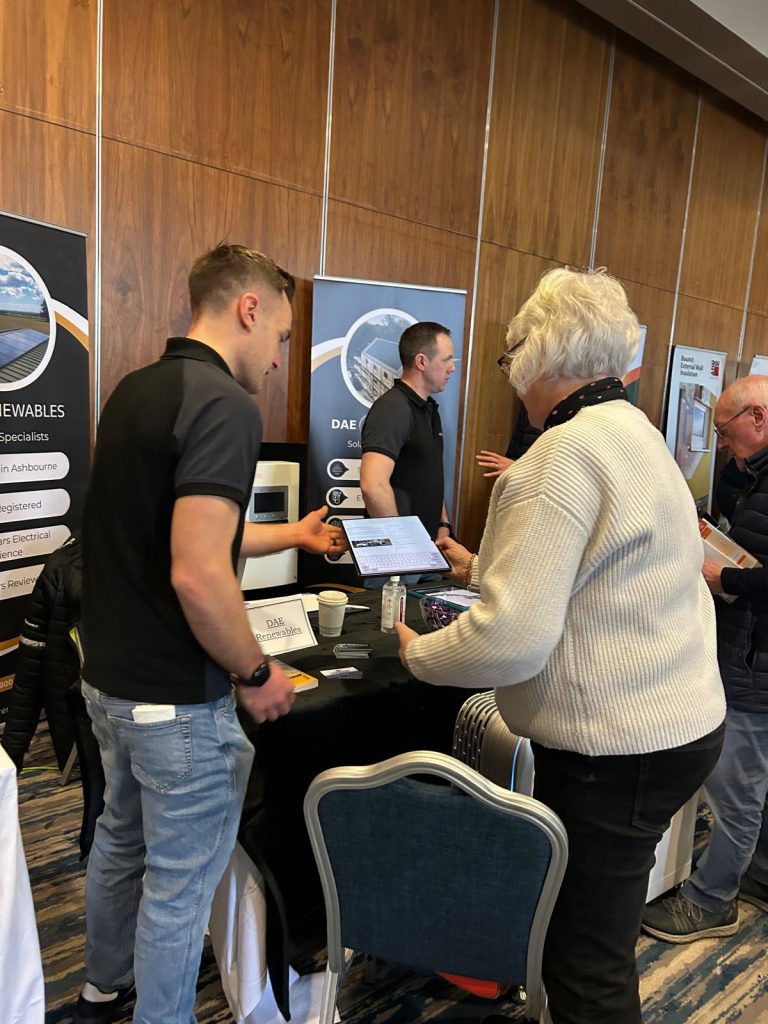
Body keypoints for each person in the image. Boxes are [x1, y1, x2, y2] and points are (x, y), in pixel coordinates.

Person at [394, 267, 726, 1024]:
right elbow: (604, 580)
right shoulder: (635, 436)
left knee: (585, 964)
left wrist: (418, 655)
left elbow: (509, 643)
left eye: (512, 355)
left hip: (617, 755)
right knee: (593, 946)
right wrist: (483, 568)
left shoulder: (558, 458)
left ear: (543, 353)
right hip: (678, 730)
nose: (510, 376)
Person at [74, 244, 344, 1024]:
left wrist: (290, 535)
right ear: (248, 310)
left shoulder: (134, 390)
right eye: (284, 337)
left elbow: (182, 537)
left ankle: (101, 990)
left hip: (109, 686)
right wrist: (257, 672)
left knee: (120, 842)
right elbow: (197, 574)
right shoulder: (225, 404)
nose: (280, 356)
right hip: (177, 708)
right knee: (179, 884)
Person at [642, 375, 768, 943]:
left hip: (754, 665)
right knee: (754, 782)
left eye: (726, 430)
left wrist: (730, 579)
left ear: (759, 418)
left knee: (736, 790)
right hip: (740, 649)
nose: (720, 442)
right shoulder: (744, 475)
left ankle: (711, 901)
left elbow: (751, 572)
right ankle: (753, 875)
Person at [360, 321, 455, 542]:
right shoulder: (393, 409)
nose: (453, 367)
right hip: (398, 555)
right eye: (446, 359)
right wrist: (401, 543)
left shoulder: (429, 409)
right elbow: (372, 485)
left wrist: (443, 523)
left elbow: (429, 474)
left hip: (429, 547)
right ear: (421, 361)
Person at [475, 402, 541, 478]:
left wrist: (519, 469)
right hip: (515, 479)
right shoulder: (530, 404)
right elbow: (515, 447)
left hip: (533, 481)